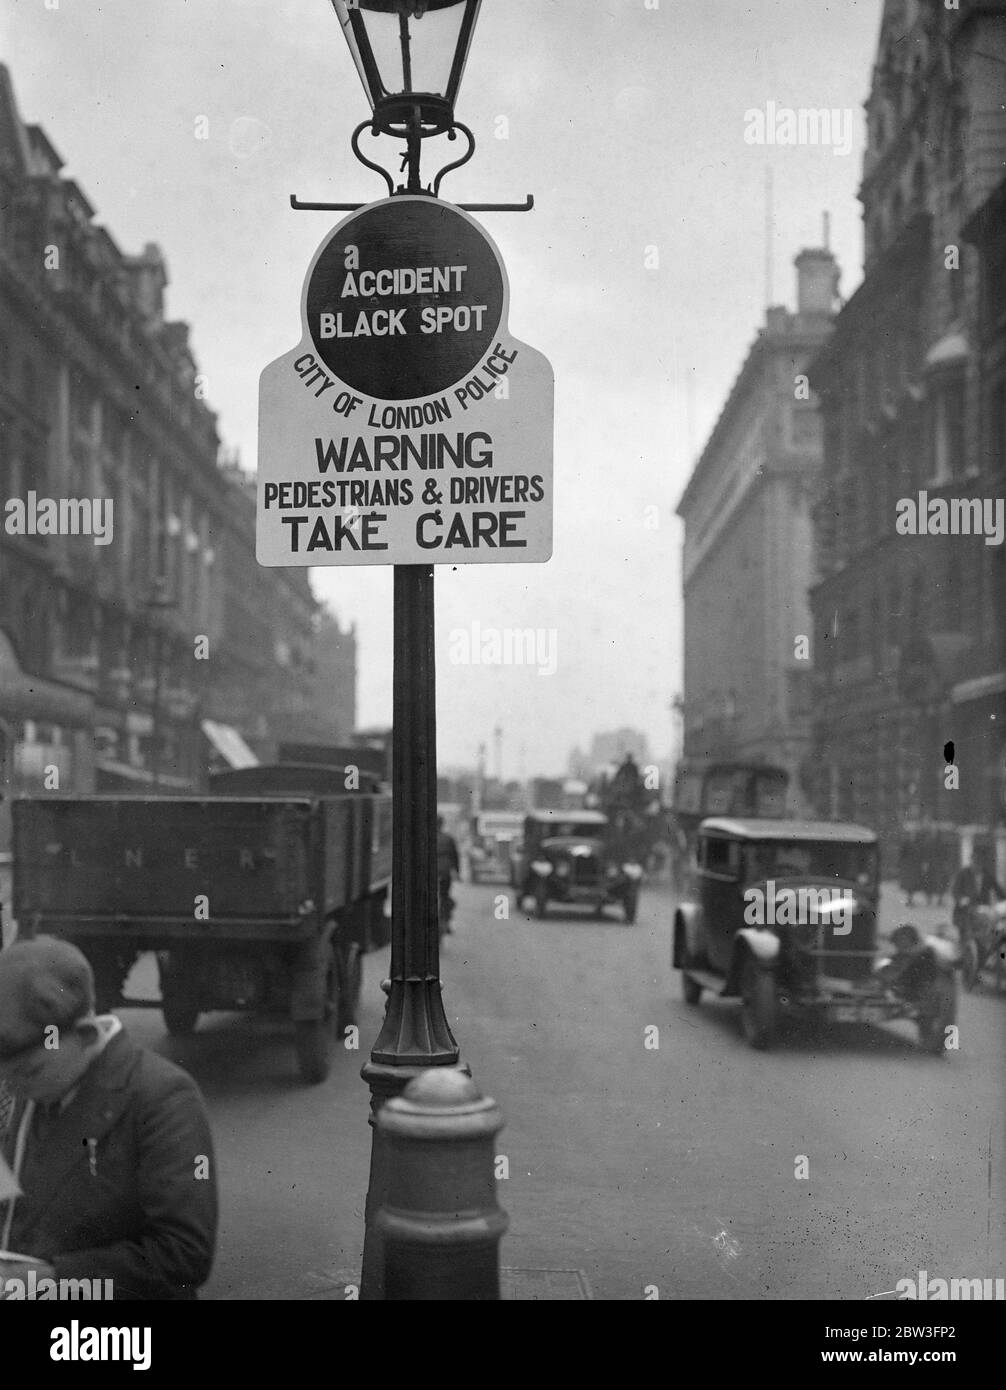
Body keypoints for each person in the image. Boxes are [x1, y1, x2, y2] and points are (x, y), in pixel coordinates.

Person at [0, 936, 217, 1300]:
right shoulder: (36, 1085)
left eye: (30, 1073)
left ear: (86, 1034)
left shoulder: (162, 1097)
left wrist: (55, 1278)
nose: (16, 1092)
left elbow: (184, 1254)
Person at [436, 815, 460, 934]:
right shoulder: (448, 838)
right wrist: (457, 872)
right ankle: (446, 922)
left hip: (432, 871)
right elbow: (455, 857)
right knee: (445, 896)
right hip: (445, 871)